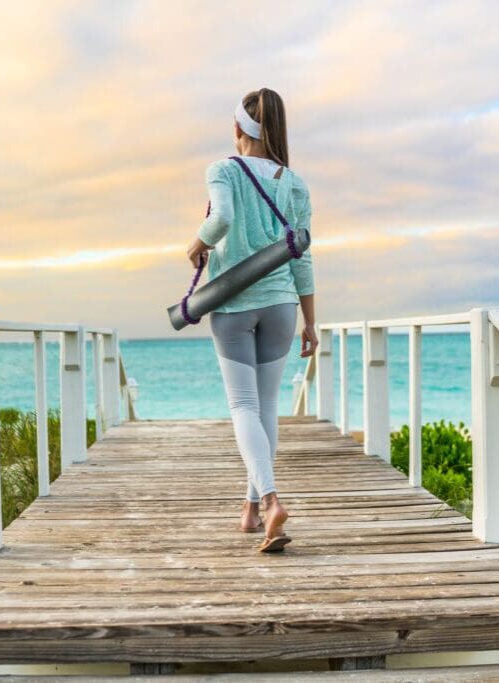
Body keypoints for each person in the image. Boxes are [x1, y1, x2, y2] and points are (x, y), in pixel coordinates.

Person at [186, 88, 318, 552]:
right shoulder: (295, 183)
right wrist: (311, 322)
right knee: (265, 409)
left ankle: (271, 499)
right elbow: (303, 259)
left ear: (239, 128)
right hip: (282, 305)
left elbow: (220, 219)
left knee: (243, 408)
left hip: (235, 305)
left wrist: (197, 244)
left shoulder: (223, 169)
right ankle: (249, 511)